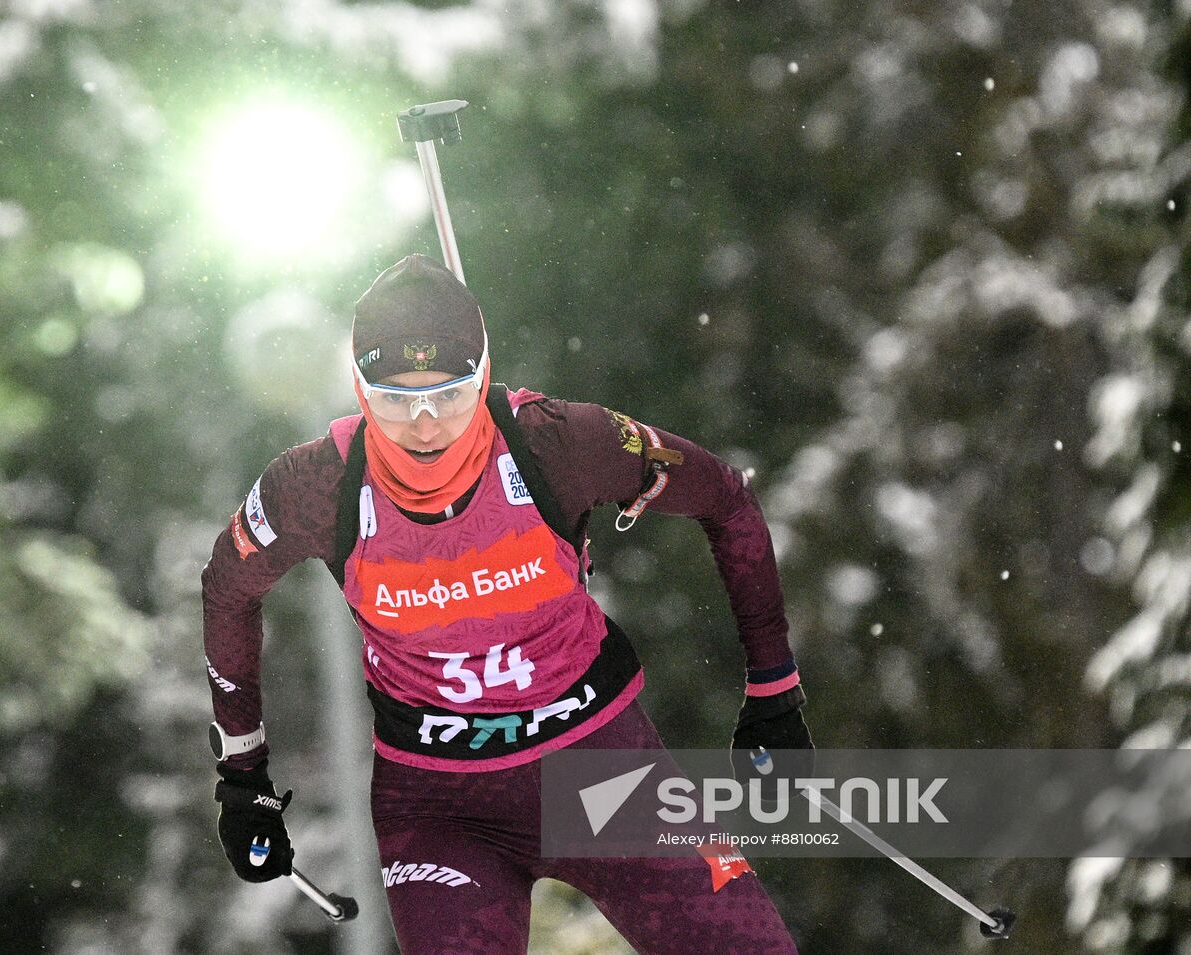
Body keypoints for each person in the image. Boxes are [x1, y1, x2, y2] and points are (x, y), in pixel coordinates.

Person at [202, 253, 810, 954]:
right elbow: (227, 586)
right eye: (396, 398)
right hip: (443, 809)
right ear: (360, 388)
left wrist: (774, 689)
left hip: (606, 774)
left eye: (451, 394)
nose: (425, 425)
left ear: (483, 374)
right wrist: (241, 773)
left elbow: (725, 497)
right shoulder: (316, 485)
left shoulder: (558, 443)